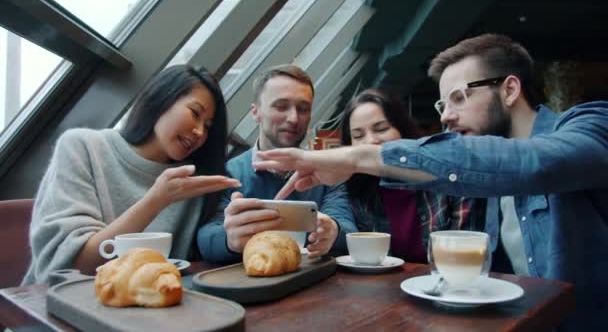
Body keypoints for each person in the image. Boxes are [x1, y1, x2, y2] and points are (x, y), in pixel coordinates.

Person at [254, 34, 608, 329]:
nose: (447, 117)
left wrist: (356, 156)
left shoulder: (592, 124)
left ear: (510, 90)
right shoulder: (485, 186)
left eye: (459, 98)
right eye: (442, 105)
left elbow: (536, 165)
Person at [24, 65, 241, 284]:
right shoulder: (83, 147)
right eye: (195, 113)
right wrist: (156, 200)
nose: (200, 132)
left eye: (207, 126)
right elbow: (72, 266)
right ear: (162, 99)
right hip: (52, 305)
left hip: (147, 306)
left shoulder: (196, 181)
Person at [197, 64, 356, 262]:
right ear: (255, 113)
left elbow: (348, 230)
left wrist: (334, 230)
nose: (293, 118)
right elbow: (205, 238)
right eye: (281, 106)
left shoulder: (326, 173)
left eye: (303, 108)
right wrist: (229, 239)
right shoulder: (228, 173)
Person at [341, 89, 485, 262]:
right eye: (358, 135)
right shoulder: (355, 191)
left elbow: (465, 256)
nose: (370, 141)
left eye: (381, 129)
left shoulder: (450, 175)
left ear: (402, 129)